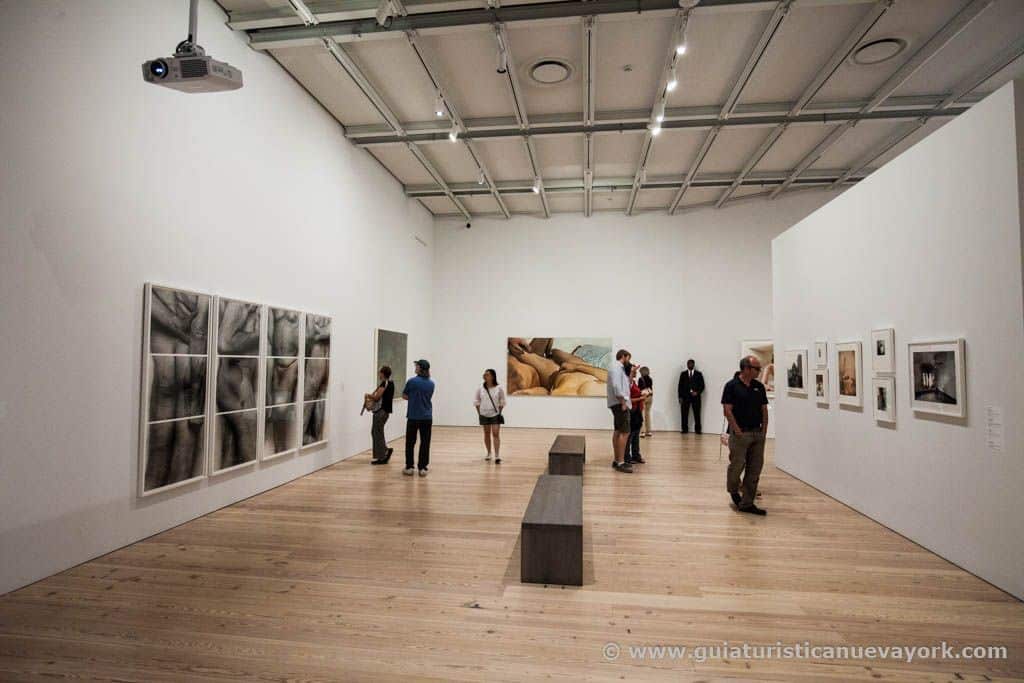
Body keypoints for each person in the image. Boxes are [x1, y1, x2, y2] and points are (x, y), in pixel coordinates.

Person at [722, 356, 770, 515]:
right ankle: (734, 491)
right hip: (740, 434)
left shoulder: (759, 387)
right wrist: (737, 430)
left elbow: (764, 409)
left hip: (757, 433)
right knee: (737, 466)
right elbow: (727, 410)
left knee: (754, 469)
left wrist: (764, 431)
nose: (759, 371)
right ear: (746, 369)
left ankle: (747, 503)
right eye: (757, 369)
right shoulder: (731, 386)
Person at [402, 359, 435, 477]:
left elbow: (404, 395)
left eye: (416, 366)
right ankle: (423, 468)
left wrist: (413, 398)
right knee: (425, 443)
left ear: (420, 368)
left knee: (410, 442)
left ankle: (409, 467)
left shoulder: (411, 381)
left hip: (413, 416)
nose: (415, 368)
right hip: (426, 417)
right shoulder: (431, 383)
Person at [606, 349, 633, 473]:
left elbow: (626, 385)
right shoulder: (617, 368)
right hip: (620, 403)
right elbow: (617, 387)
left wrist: (632, 373)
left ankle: (617, 460)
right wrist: (623, 402)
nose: (629, 360)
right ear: (623, 356)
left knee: (618, 431)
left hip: (618, 402)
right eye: (628, 357)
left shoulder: (618, 368)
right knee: (624, 432)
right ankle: (620, 462)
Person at [474, 368, 506, 464]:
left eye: (487, 374)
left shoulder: (499, 388)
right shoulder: (480, 389)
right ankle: (489, 453)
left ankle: (497, 455)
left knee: (495, 433)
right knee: (487, 433)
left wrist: (499, 411)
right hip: (484, 414)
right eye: (484, 374)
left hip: (495, 414)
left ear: (492, 376)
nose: (485, 375)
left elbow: (502, 401)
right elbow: (476, 401)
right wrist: (479, 413)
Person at [367, 365, 395, 465]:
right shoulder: (391, 383)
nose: (379, 374)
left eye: (380, 372)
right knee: (377, 432)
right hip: (385, 412)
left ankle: (382, 456)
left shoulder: (384, 383)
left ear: (383, 373)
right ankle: (385, 451)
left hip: (380, 411)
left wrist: (368, 395)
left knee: (377, 433)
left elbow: (377, 397)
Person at [678, 359, 705, 434]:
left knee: (697, 414)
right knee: (684, 414)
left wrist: (697, 392)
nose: (689, 365)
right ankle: (684, 429)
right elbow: (680, 386)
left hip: (696, 397)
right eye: (688, 364)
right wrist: (680, 397)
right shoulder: (683, 374)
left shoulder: (698, 374)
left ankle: (698, 430)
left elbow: (702, 386)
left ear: (693, 364)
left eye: (691, 364)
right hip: (685, 397)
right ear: (687, 365)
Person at [626, 364, 646, 464]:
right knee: (630, 435)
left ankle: (636, 455)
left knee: (636, 435)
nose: (636, 372)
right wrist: (641, 398)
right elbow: (628, 400)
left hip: (637, 411)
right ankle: (627, 456)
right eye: (634, 371)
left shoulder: (633, 382)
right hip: (632, 411)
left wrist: (641, 394)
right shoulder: (628, 382)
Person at [638, 366, 653, 437]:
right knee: (648, 414)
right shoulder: (650, 379)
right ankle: (648, 431)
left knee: (642, 414)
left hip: (643, 397)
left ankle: (642, 431)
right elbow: (650, 387)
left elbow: (639, 389)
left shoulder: (640, 379)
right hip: (650, 396)